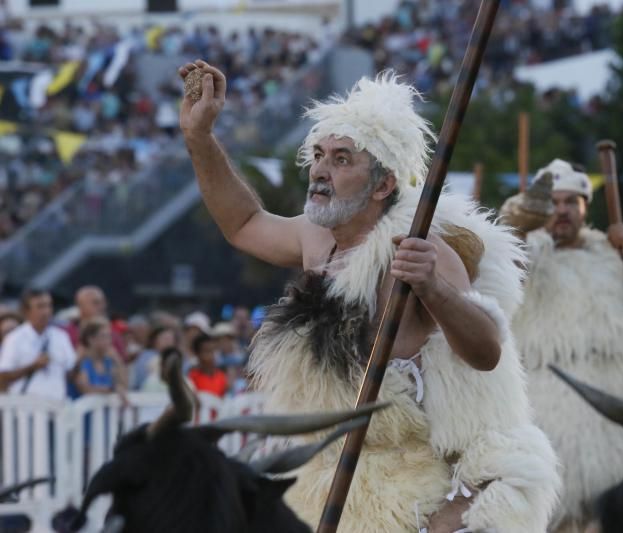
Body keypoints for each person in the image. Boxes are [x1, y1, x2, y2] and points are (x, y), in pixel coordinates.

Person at [179, 60, 560, 532]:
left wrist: (433, 289)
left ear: (384, 184)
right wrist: (200, 139)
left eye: (342, 159)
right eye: (318, 155)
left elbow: (486, 353)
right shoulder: (315, 239)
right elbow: (243, 224)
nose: (320, 171)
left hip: (412, 492)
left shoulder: (423, 250)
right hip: (322, 482)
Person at [501, 159, 623, 532]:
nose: (562, 210)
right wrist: (521, 220)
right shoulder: (521, 255)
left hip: (608, 418)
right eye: (555, 201)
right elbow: (499, 255)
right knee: (544, 514)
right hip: (542, 408)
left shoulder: (611, 258)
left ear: (585, 206)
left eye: (571, 202)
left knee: (611, 516)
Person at [0, 289, 77, 400]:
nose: (46, 311)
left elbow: (71, 370)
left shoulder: (61, 336)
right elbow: (3, 375)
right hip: (25, 409)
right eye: (40, 306)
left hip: (57, 407)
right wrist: (32, 366)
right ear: (26, 311)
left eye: (48, 305)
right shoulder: (14, 339)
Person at [72, 317, 128, 400]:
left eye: (109, 336)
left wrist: (117, 360)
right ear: (91, 339)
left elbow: (124, 385)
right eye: (103, 336)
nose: (108, 341)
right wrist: (113, 389)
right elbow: (86, 389)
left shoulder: (109, 362)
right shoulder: (82, 362)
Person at [187, 333, 227, 398]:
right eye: (207, 351)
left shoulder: (222, 377)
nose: (212, 355)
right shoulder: (192, 378)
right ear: (197, 354)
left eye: (213, 350)